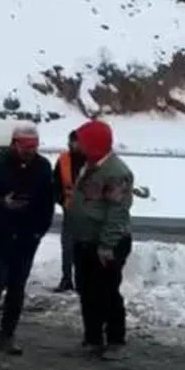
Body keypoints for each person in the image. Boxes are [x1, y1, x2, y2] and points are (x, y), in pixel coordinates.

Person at [0, 122, 55, 355]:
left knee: (17, 286)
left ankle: (8, 334)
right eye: (26, 146)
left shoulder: (43, 167)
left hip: (27, 235)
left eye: (34, 146)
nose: (30, 151)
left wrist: (39, 232)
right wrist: (1, 204)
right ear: (14, 144)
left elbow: (48, 203)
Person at [63, 119, 134, 357]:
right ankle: (92, 338)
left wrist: (107, 244)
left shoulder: (116, 172)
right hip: (84, 240)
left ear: (94, 144)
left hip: (106, 244)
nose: (78, 146)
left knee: (106, 291)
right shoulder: (90, 165)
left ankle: (115, 340)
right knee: (86, 289)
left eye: (83, 142)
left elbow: (117, 212)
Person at [51, 130, 86, 293]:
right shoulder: (64, 159)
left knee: (84, 248)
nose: (74, 145)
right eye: (73, 141)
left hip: (89, 212)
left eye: (77, 142)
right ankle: (66, 279)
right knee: (67, 246)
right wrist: (61, 200)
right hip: (69, 210)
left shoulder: (91, 160)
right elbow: (55, 183)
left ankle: (82, 281)